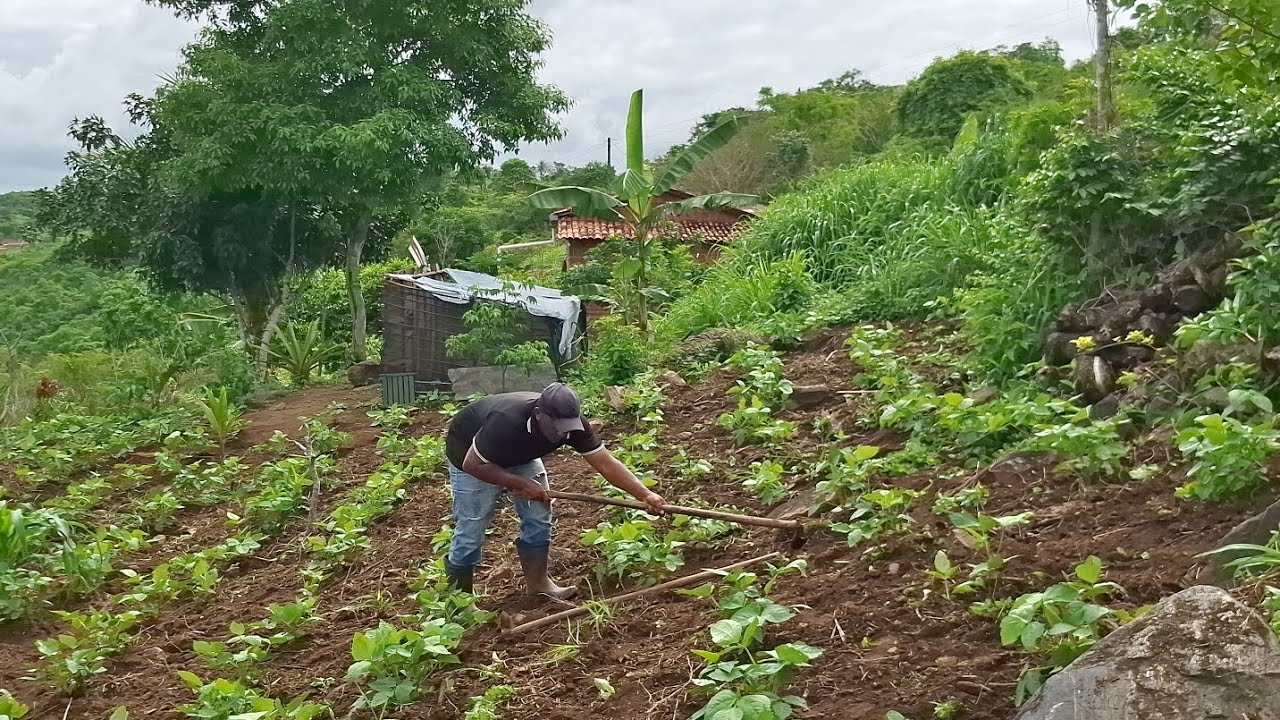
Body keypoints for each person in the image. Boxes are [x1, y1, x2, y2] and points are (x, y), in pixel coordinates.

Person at [442, 381, 666, 599]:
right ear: (539, 414)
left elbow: (605, 463)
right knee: (472, 528)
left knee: (539, 515)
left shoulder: (573, 426)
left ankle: (539, 585)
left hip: (519, 454)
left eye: (567, 427)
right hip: (469, 455)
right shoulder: (506, 421)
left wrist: (645, 495)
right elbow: (473, 465)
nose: (562, 434)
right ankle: (460, 602)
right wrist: (520, 483)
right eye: (557, 427)